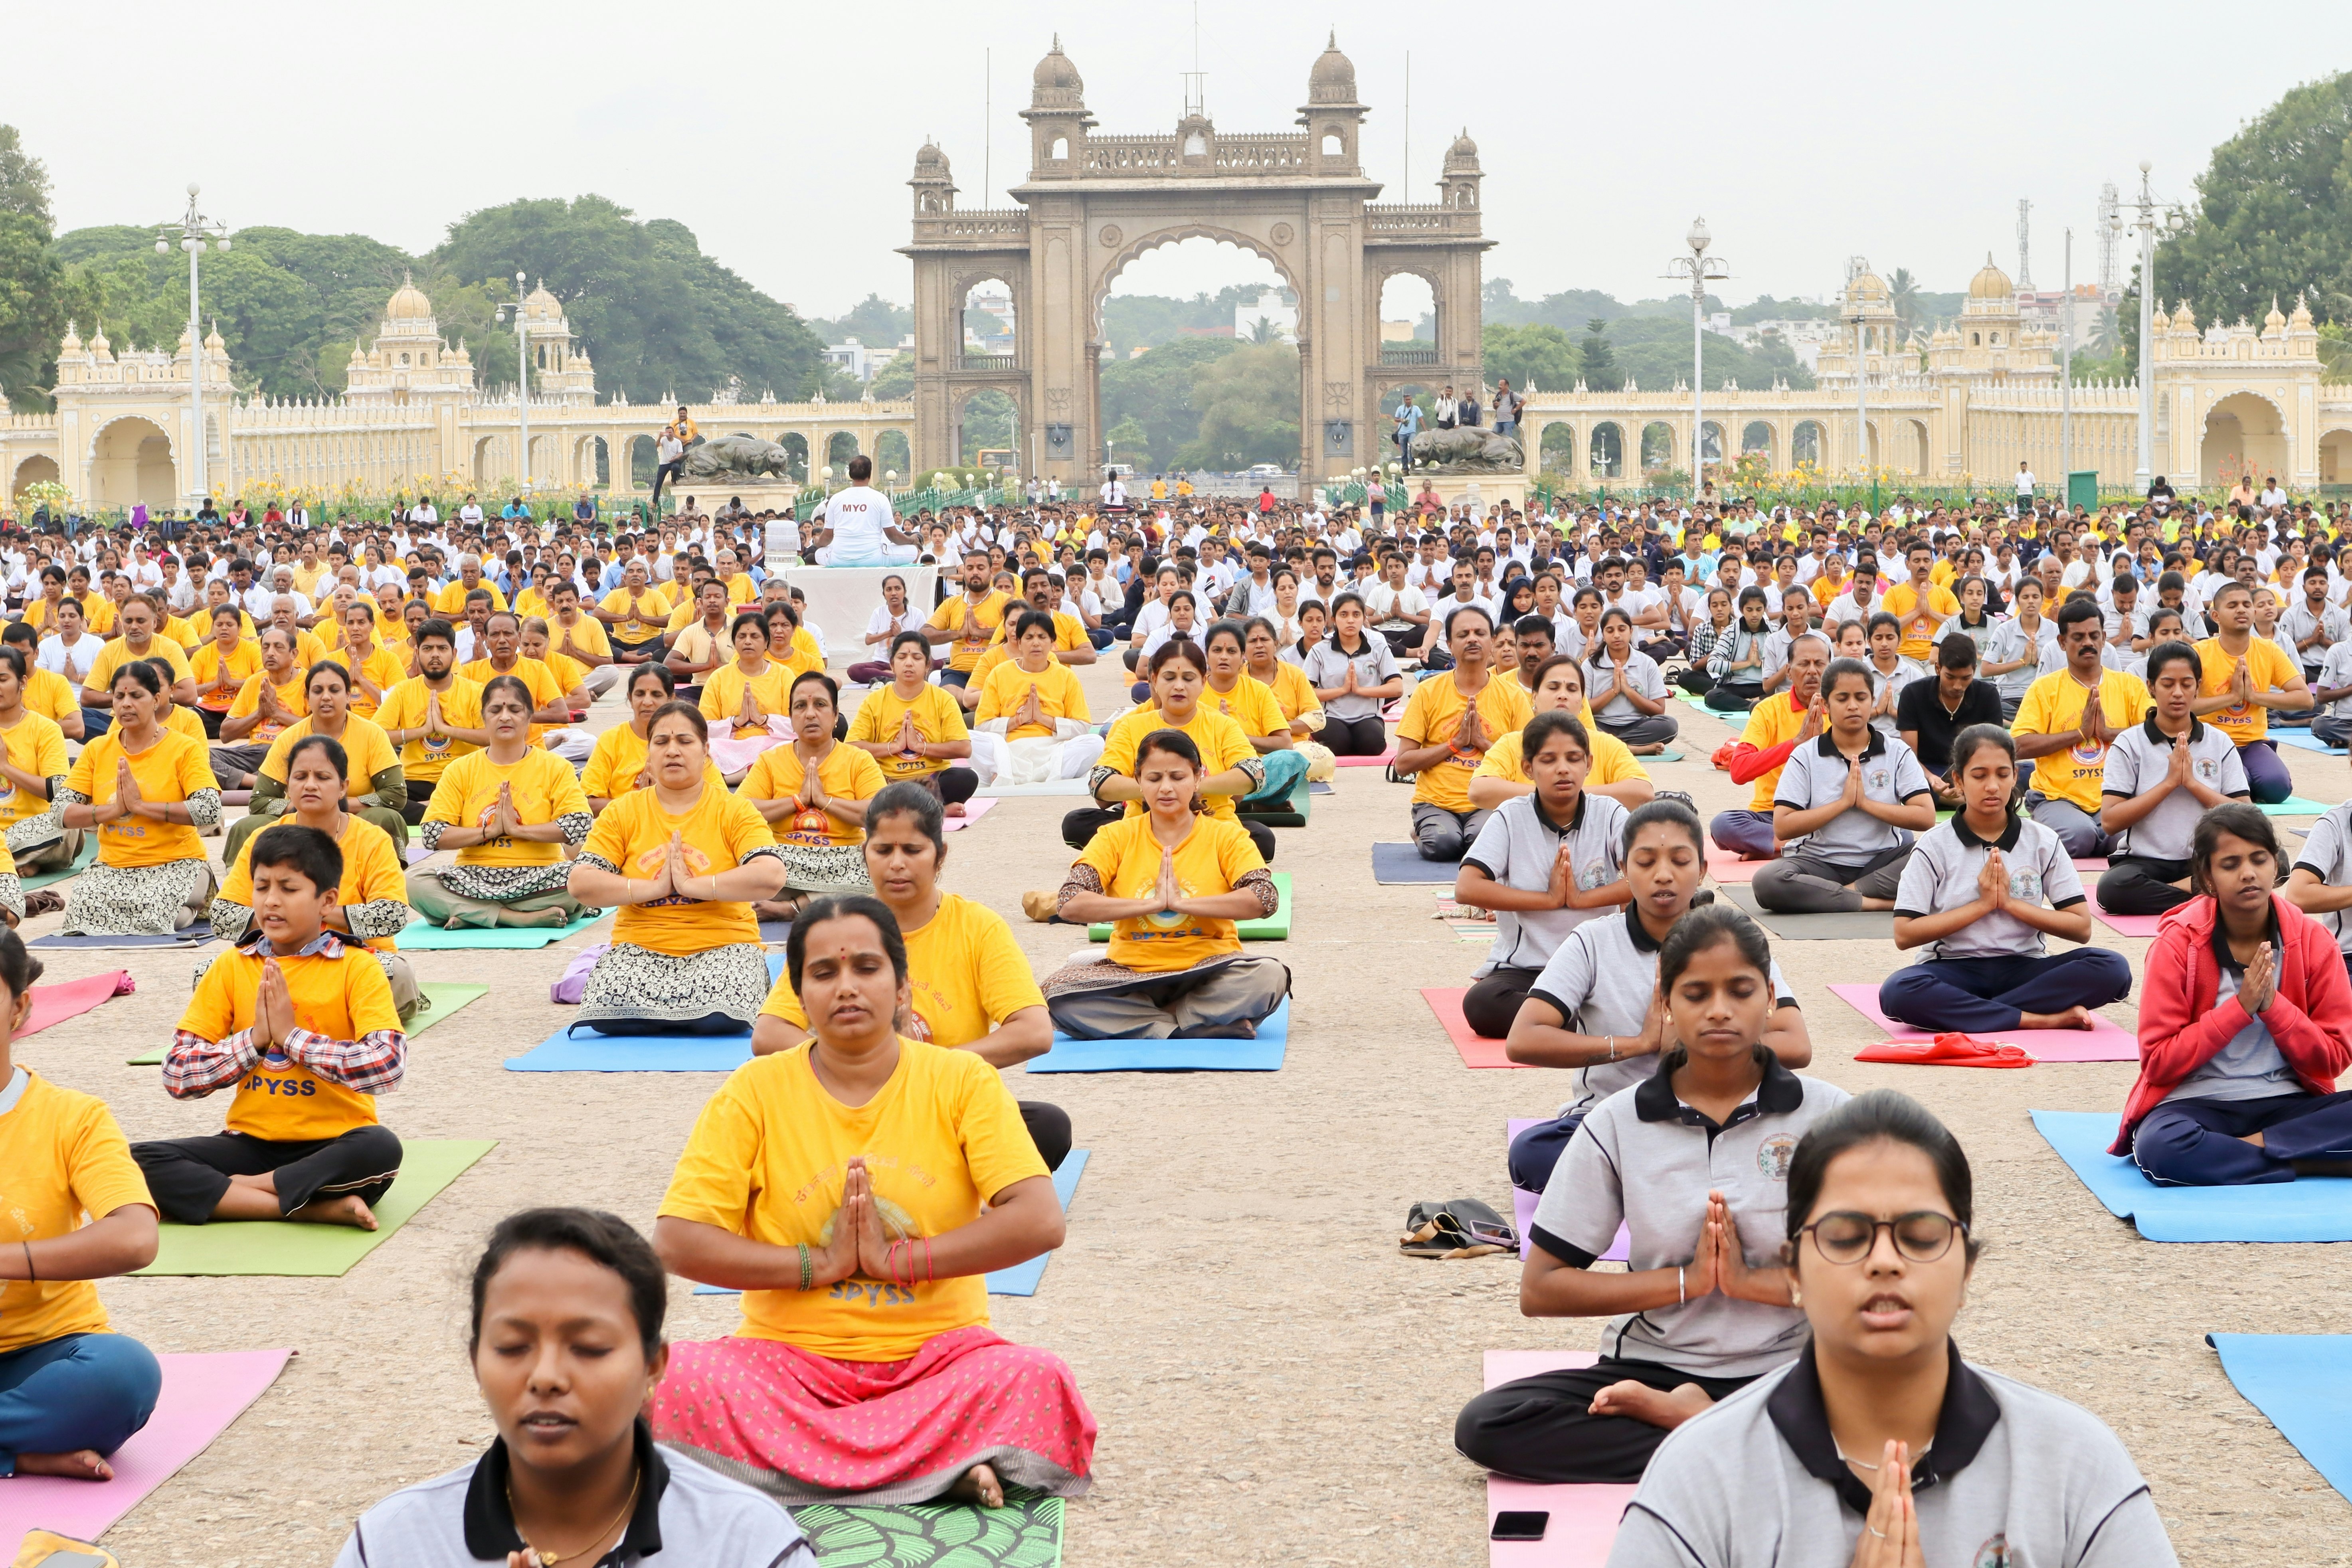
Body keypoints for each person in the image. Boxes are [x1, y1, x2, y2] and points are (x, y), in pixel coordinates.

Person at [648, 896, 1095, 1505]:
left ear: (902, 985)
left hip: (937, 1363)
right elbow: (678, 1241)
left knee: (1037, 1378)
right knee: (665, 1378)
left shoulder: (962, 1080)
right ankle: (939, 1470)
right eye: (825, 974)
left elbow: (1039, 1221)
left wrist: (902, 1262)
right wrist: (818, 1266)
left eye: (866, 967)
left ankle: (799, 1474)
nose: (847, 987)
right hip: (787, 1364)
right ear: (799, 997)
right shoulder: (754, 1091)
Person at [1610, 1090, 2180, 1566]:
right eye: (1845, 1235)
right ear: (1794, 1271)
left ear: (1966, 1271)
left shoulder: (2072, 1463)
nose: (1885, 1259)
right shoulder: (1701, 1474)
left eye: (1922, 1234)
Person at [1454, 904, 1848, 1483]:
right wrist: (1687, 1282)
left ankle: (1699, 1428)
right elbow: (1542, 1289)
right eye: (1695, 994)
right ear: (1665, 1001)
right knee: (1491, 1424)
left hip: (1793, 1366)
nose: (1719, 1010)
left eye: (1740, 991)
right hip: (1658, 1366)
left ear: (1770, 997)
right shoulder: (1616, 1122)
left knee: (1923, 1404)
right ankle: (1750, 1440)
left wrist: (1750, 1285)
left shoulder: (1831, 1116)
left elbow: (1868, 1278)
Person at [334, 1207, 812, 1564]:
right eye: (512, 1346)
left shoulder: (747, 1543)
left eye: (588, 1347)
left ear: (653, 1365)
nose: (546, 1376)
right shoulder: (390, 1545)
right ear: (476, 1363)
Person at [751, 783, 1070, 1169]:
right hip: (854, 1107)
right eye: (883, 850)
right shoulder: (833, 928)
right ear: (864, 854)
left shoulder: (978, 928)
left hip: (944, 1105)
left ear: (940, 855)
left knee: (1048, 1127)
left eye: (912, 850)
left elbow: (1034, 1031)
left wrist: (926, 1071)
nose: (896, 863)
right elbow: (769, 1033)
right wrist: (860, 1071)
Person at [1503, 801, 1810, 1191]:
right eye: (1646, 862)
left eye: (1680, 861)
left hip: (1718, 1117)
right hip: (1616, 1118)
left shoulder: (1733, 940)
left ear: (1701, 869)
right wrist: (1639, 1044)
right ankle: (1696, 1175)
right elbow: (1524, 1038)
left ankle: (1656, 1176)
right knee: (1532, 1154)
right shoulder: (1593, 942)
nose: (1663, 875)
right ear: (1623, 868)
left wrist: (1699, 1046)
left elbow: (1795, 1043)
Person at [132, 825, 406, 1230]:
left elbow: (387, 1065)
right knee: (134, 1162)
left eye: (289, 888)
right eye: (261, 887)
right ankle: (311, 1207)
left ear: (327, 900)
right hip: (250, 1144)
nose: (271, 901)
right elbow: (177, 1073)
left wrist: (293, 1038)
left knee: (381, 1147)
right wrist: (255, 1041)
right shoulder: (232, 965)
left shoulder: (357, 966)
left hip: (334, 1145)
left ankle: (244, 1191)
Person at [2113, 803, 2352, 1185]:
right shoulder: (2177, 944)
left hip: (2287, 1103)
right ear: (2207, 877)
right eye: (2230, 864)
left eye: (2259, 860)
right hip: (2196, 1105)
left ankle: (2241, 1150)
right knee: (2162, 1149)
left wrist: (2274, 1007)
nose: (2248, 874)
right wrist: (2238, 1009)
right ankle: (2305, 1161)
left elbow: (2334, 1059)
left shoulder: (2314, 942)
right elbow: (2158, 1063)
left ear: (2276, 866)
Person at [0, 925, 163, 1482]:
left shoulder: (74, 1117)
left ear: (19, 1007)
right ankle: (17, 1454)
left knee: (125, 1375)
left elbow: (135, 1238)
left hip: (40, 1356)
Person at [1879, 724, 2134, 1034]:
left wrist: (2010, 904)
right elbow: (1904, 934)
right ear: (1958, 779)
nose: (1992, 786)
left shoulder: (2042, 840)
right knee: (1898, 991)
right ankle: (2038, 1018)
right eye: (1979, 775)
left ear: (2015, 775)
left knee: (2113, 968)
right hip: (1953, 968)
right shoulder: (1934, 845)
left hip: (2025, 967)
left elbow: (2080, 927)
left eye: (2002, 774)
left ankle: (1976, 1012)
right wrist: (1983, 905)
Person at [1046, 729, 1290, 1039]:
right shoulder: (1114, 836)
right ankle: (1189, 1026)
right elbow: (1069, 902)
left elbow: (1264, 898)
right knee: (1059, 996)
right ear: (1137, 781)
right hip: (1131, 974)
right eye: (1153, 778)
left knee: (1268, 976)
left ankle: (1158, 1023)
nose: (1166, 788)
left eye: (1177, 777)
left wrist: (1182, 904)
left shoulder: (1226, 835)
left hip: (1211, 969)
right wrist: (1150, 905)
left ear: (1198, 777)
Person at [566, 703, 787, 1034]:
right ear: (649, 753)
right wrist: (654, 889)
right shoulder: (623, 811)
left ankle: (663, 1016)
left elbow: (771, 874)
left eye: (684, 741)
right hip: (640, 948)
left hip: (723, 947)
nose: (672, 751)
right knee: (608, 1007)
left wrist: (695, 886)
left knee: (724, 1011)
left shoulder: (733, 809)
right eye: (661, 741)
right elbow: (580, 882)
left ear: (706, 751)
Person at [211, 735, 424, 1024]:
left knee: (398, 976)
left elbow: (392, 916)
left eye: (322, 777)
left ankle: (289, 1016)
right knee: (208, 975)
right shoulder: (263, 840)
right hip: (278, 958)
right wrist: (286, 918)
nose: (310, 784)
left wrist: (315, 913)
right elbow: (223, 917)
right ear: (288, 787)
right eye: (300, 777)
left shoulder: (372, 840)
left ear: (343, 787)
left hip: (351, 959)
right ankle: (316, 1014)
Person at [1454, 711, 1630, 1038]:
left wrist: (1582, 899)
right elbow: (1466, 887)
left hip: (1597, 966)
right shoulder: (1510, 817)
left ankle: (1555, 1023)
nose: (1563, 769)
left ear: (1588, 763)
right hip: (1527, 969)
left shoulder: (1610, 814)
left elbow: (1643, 880)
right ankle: (1588, 1024)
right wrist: (1547, 900)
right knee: (1481, 1004)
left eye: (1573, 758)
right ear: (1528, 768)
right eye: (1548, 760)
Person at [408, 675, 593, 930]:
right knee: (414, 883)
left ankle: (472, 914)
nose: (505, 717)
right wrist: (489, 832)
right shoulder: (460, 770)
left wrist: (518, 831)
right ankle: (517, 917)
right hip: (474, 877)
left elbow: (579, 825)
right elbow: (432, 834)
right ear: (484, 717)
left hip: (540, 876)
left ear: (529, 716)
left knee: (587, 878)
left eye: (515, 710)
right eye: (496, 710)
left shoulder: (555, 767)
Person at [1753, 658, 1935, 914]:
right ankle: (1874, 903)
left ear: (1872, 700)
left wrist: (1865, 804)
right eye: (1842, 699)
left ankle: (1843, 894)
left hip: (1882, 862)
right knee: (1767, 882)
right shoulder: (1806, 756)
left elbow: (1926, 817)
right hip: (1820, 864)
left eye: (1861, 698)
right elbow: (1783, 826)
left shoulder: (1897, 752)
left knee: (1939, 853)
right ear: (1826, 704)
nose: (1853, 706)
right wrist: (1843, 804)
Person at [1063, 640, 1273, 861]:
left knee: (1263, 840)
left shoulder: (1222, 725)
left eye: (1188, 679)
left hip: (1211, 827)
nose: (1179, 686)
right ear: (1154, 681)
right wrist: (1158, 789)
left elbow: (1254, 775)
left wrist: (1192, 787)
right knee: (1076, 823)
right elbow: (1100, 783)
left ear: (1203, 682)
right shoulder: (1131, 725)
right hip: (1145, 829)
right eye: (1170, 678)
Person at [57, 662, 221, 934]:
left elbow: (209, 810)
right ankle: (175, 911)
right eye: (119, 696)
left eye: (136, 696)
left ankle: (189, 906)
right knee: (80, 909)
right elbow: (61, 812)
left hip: (175, 863)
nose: (126, 704)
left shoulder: (184, 748)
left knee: (158, 913)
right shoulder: (98, 749)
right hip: (114, 866)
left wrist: (141, 807)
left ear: (157, 699)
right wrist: (112, 810)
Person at [2097, 641, 2253, 916]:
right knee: (2112, 888)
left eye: (2186, 684)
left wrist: (2192, 783)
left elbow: (2247, 814)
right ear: (2150, 686)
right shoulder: (2129, 743)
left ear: (2198, 686)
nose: (2178, 693)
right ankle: (2206, 896)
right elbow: (2110, 822)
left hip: (2206, 860)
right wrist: (2168, 784)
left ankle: (2192, 888)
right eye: (2168, 684)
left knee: (2278, 862)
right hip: (2147, 862)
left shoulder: (2219, 742)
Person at [224, 661, 407, 865]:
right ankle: (247, 891)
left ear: (348, 696)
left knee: (387, 818)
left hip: (353, 819)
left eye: (335, 690)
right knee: (247, 826)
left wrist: (336, 806)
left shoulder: (372, 734)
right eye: (318, 691)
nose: (326, 697)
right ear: (307, 697)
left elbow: (395, 795)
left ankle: (385, 886)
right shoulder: (290, 737)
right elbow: (259, 802)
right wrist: (305, 809)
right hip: (299, 820)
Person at [2011, 597, 2150, 857]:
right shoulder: (2045, 689)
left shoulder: (2128, 685)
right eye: (2078, 637)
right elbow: (2018, 746)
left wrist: (2108, 735)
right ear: (2062, 642)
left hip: (2115, 797)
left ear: (2103, 638)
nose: (2087, 643)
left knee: (2130, 840)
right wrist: (2079, 734)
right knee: (2079, 837)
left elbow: (2154, 735)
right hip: (2058, 798)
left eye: (2093, 635)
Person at [740, 673, 888, 916]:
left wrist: (824, 801)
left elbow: (879, 814)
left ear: (835, 714)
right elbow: (742, 809)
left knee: (880, 869)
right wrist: (796, 801)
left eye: (820, 705)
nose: (810, 714)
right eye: (801, 706)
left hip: (842, 860)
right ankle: (815, 902)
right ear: (790, 717)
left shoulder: (858, 759)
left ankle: (793, 907)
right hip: (783, 857)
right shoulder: (771, 760)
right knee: (738, 866)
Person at [1397, 606, 1534, 862]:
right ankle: (1423, 832)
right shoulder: (1428, 692)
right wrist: (1455, 744)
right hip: (1437, 802)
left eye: (1479, 633)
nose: (1472, 639)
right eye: (1463, 634)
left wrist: (1482, 742)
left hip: (1488, 801)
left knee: (1481, 845)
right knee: (1443, 845)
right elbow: (1403, 765)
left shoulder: (1513, 696)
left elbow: (1527, 765)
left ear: (1491, 642)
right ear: (1450, 644)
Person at [1470, 655, 1655, 813]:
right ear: (1534, 697)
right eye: (1553, 687)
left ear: (1583, 703)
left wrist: (1571, 796)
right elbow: (1480, 790)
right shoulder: (1512, 743)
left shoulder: (1606, 744)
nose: (1563, 695)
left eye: (1572, 689)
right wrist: (1551, 795)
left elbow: (1643, 792)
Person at [2193, 580, 2308, 805]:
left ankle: (2248, 783)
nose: (2241, 610)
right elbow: (2185, 707)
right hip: (2213, 740)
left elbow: (2304, 699)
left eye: (2247, 605)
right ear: (2215, 616)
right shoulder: (2199, 653)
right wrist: (2232, 697)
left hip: (2254, 742)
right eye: (2233, 605)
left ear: (2254, 613)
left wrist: (2253, 698)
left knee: (2278, 789)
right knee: (2236, 785)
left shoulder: (2268, 650)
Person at [847, 631, 978, 813]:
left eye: (917, 658)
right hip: (887, 780)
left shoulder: (943, 699)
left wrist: (920, 747)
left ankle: (899, 809)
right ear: (892, 665)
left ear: (927, 666)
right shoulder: (875, 701)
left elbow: (964, 748)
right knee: (853, 781)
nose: (909, 663)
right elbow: (852, 747)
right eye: (902, 657)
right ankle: (934, 810)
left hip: (931, 781)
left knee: (965, 778)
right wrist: (894, 747)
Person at [372, 619, 487, 825]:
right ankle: (438, 808)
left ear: (454, 653)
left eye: (442, 648)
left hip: (463, 779)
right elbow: (376, 735)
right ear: (417, 654)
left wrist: (445, 729)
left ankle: (430, 808)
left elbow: (490, 737)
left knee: (487, 800)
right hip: (415, 782)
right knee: (380, 806)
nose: (435, 654)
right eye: (428, 648)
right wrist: (423, 730)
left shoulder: (474, 691)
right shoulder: (403, 691)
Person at [971, 610, 1102, 786]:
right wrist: (1018, 721)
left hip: (1054, 751)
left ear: (1052, 642)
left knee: (1096, 743)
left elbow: (1083, 726)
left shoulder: (1066, 676)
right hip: (1009, 751)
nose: (1036, 643)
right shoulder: (999, 674)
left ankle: (1008, 776)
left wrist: (1044, 720)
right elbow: (981, 726)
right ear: (1018, 642)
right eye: (1029, 637)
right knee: (968, 739)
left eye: (1042, 637)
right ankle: (1026, 774)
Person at [1893, 634, 2002, 805]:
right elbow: (1909, 756)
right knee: (1900, 779)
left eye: (1966, 678)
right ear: (1938, 668)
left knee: (2023, 773)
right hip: (1926, 770)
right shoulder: (1914, 694)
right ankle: (1968, 799)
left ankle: (1954, 798)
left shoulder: (1988, 695)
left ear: (1974, 669)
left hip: (1974, 770)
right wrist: (1931, 778)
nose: (1958, 686)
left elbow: (1996, 751)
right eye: (1950, 677)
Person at [699, 612, 804, 779]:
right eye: (742, 636)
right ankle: (753, 774)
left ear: (766, 643)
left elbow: (797, 724)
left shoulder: (784, 675)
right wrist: (735, 722)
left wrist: (763, 720)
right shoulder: (719, 677)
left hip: (771, 746)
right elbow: (703, 727)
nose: (748, 641)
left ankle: (728, 779)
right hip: (730, 748)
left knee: (791, 748)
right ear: (734, 643)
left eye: (755, 636)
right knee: (703, 748)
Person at [0, 646, 75, 880]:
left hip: (34, 829)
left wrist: (5, 767)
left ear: (22, 682)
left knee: (66, 824)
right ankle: (22, 861)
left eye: (2, 680)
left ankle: (15, 860)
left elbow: (57, 791)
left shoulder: (46, 729)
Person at [1300, 591, 1402, 756]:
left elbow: (1397, 688)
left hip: (1368, 717)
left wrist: (1359, 690)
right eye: (1344, 615)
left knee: (1373, 746)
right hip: (1331, 717)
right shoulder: (1319, 650)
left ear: (1364, 618)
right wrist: (1342, 690)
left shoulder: (1378, 648)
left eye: (1356, 615)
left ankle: (1355, 738)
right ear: (1333, 620)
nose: (1350, 620)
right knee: (1337, 746)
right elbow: (1306, 692)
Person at [209, 625, 307, 790]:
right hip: (254, 753)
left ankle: (245, 780)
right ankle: (256, 783)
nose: (270, 653)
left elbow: (319, 730)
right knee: (199, 755)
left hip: (290, 752)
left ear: (294, 654)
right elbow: (225, 734)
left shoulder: (308, 682)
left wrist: (277, 713)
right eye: (266, 647)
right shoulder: (254, 682)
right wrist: (259, 714)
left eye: (278, 647)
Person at [1583, 607, 1678, 751]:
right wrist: (1614, 690)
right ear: (1603, 634)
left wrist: (1628, 691)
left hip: (1636, 727)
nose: (1616, 635)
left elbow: (1659, 710)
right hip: (1600, 725)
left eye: (1622, 629)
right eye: (1610, 631)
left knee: (1670, 725)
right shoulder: (1591, 665)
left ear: (1631, 631)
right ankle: (1632, 749)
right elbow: (1583, 709)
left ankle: (1609, 746)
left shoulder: (1647, 663)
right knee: (1576, 727)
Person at [808, 455, 919, 566]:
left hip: (840, 560)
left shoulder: (836, 499)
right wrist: (911, 540)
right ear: (870, 474)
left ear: (850, 475)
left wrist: (817, 542)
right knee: (912, 551)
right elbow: (893, 536)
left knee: (819, 554)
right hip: (873, 560)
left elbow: (827, 537)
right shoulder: (880, 499)